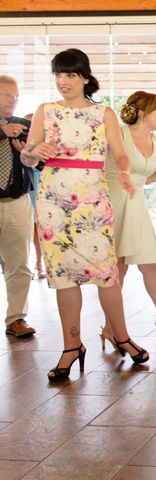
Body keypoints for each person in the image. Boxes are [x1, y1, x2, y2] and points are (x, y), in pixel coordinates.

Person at [21, 48, 149, 382]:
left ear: (85, 78)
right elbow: (28, 157)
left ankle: (121, 335)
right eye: (59, 75)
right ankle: (71, 346)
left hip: (92, 200)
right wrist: (34, 151)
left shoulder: (103, 113)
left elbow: (120, 155)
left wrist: (122, 172)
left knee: (107, 273)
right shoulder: (44, 111)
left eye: (70, 75)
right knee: (64, 277)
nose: (63, 82)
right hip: (53, 202)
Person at [102, 91, 156, 343]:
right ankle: (110, 327)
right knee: (118, 267)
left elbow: (143, 179)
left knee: (150, 263)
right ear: (144, 112)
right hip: (114, 202)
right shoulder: (119, 134)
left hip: (137, 205)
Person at [0, 75, 36, 337]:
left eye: (15, 96)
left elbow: (38, 162)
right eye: (6, 95)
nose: (12, 101)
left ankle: (16, 318)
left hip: (17, 201)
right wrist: (2, 132)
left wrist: (28, 156)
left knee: (19, 263)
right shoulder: (7, 128)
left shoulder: (24, 126)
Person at [24, 113, 46, 281]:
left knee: (40, 228)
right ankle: (34, 264)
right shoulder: (22, 142)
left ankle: (41, 264)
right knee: (31, 229)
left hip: (43, 186)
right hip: (28, 187)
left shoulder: (46, 143)